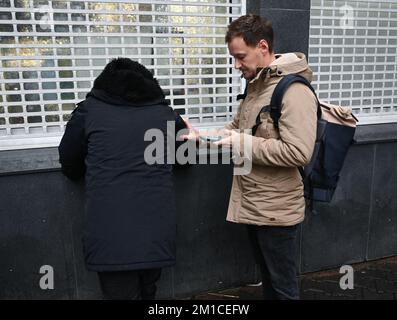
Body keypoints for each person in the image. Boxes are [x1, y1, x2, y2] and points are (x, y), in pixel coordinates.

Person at [183, 14, 317, 299]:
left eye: (240, 56)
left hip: (277, 212)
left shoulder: (293, 91)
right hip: (254, 204)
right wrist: (203, 138)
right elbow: (236, 129)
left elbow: (299, 152)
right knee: (269, 283)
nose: (236, 65)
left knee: (283, 289)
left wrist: (242, 142)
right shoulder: (257, 86)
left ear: (263, 47)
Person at [58, 58, 186, 300]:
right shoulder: (165, 114)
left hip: (110, 234)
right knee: (149, 292)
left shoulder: (88, 112)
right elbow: (185, 160)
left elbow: (69, 161)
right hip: (155, 231)